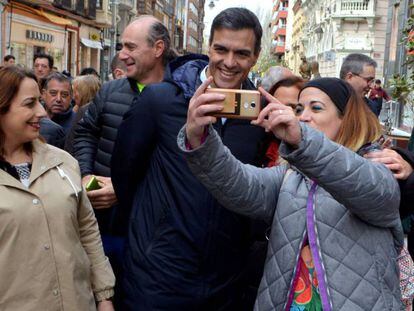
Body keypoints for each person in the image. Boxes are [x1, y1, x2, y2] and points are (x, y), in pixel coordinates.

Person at [179, 77, 403, 310]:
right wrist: (200, 140)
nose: (303, 116)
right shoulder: (292, 174)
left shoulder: (378, 164)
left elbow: (372, 190)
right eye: (299, 109)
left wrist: (303, 141)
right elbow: (241, 185)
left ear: (346, 118)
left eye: (316, 108)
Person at [111, 8, 268, 310]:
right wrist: (157, 233)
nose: (229, 62)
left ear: (256, 56)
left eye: (242, 53)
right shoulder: (160, 100)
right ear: (208, 47)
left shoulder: (257, 113)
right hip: (158, 277)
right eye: (221, 49)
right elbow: (125, 175)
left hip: (225, 283)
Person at [72, 15, 175, 308]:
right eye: (121, 46)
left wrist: (125, 189)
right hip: (102, 227)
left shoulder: (180, 99)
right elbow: (85, 133)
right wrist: (86, 174)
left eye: (130, 46)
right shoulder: (110, 91)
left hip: (150, 236)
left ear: (157, 48)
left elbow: (178, 167)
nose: (122, 54)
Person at [0, 66, 115, 310]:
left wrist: (104, 296)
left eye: (40, 102)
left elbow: (87, 230)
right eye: (30, 104)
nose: (41, 112)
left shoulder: (63, 161)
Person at [263, 75, 304, 166]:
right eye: (276, 106)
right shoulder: (259, 142)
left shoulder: (314, 153)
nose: (282, 113)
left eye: (292, 108)